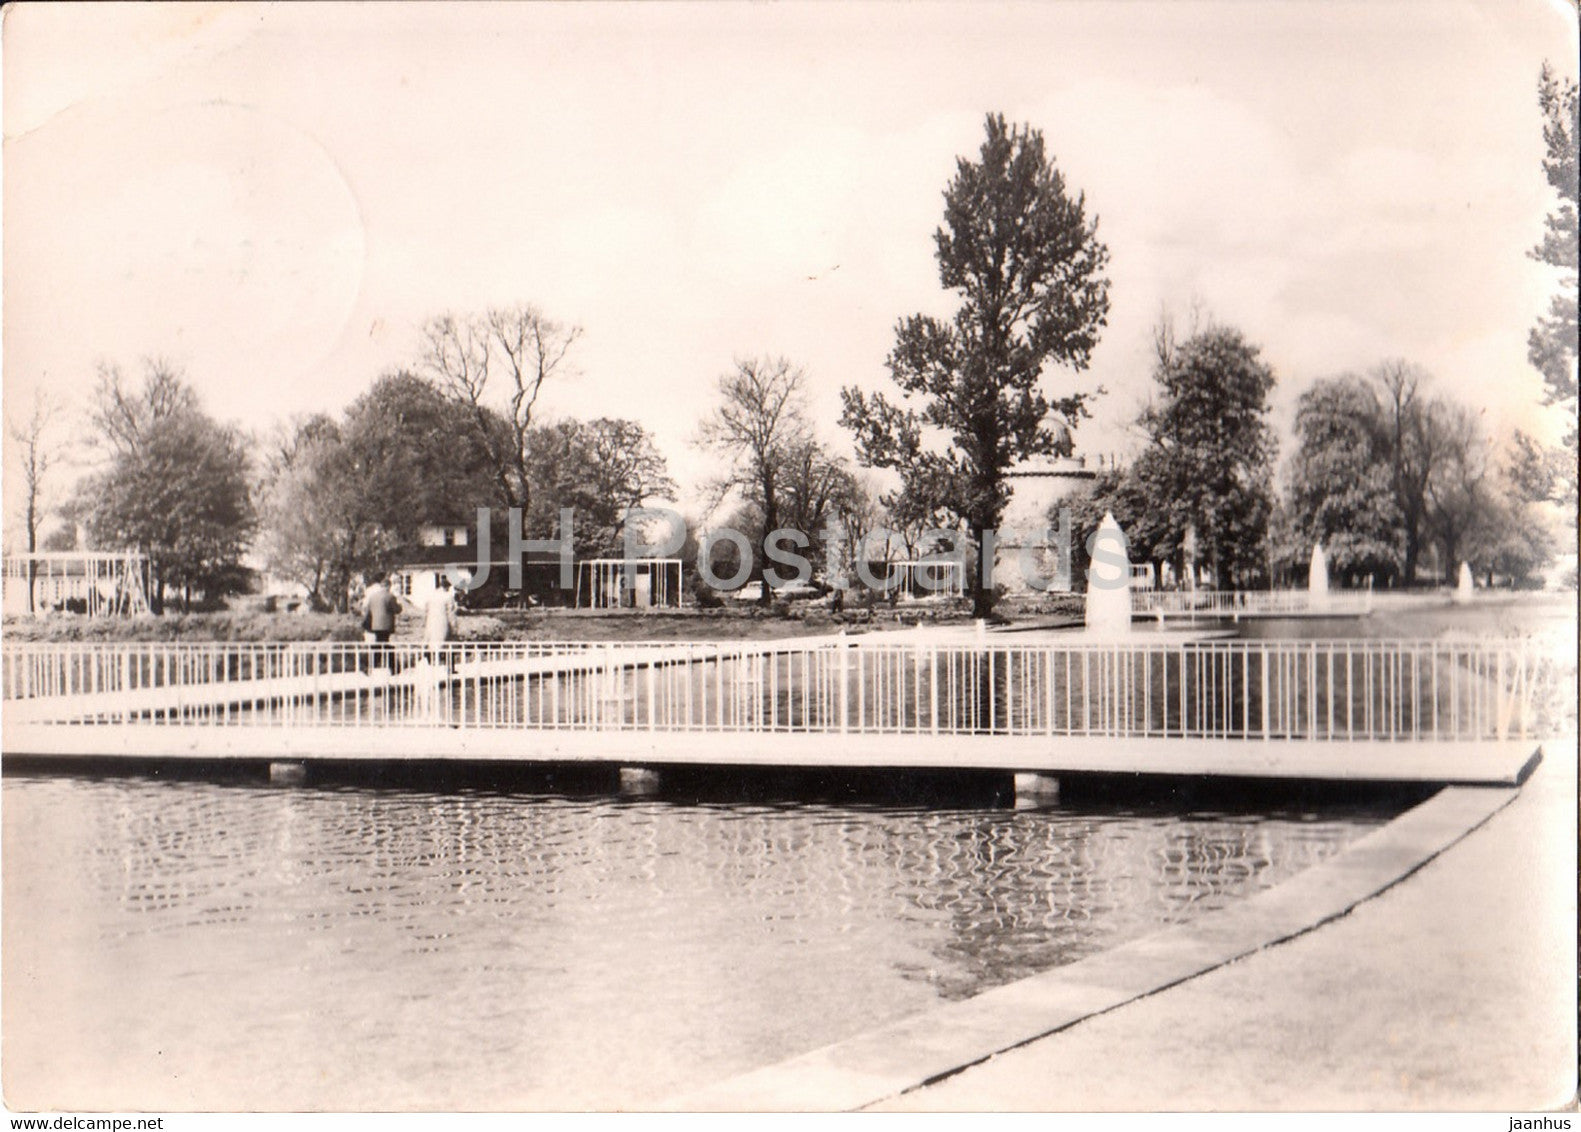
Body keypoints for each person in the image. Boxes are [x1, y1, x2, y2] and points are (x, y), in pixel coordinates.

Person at [361, 572, 402, 670]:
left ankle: (373, 665)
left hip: (375, 625)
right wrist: (399, 605)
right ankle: (393, 667)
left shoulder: (373, 596)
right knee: (386, 645)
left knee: (379, 644)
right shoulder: (390, 596)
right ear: (388, 586)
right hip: (386, 625)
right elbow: (397, 609)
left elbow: (368, 609)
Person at [424, 575, 457, 661]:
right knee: (447, 645)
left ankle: (430, 663)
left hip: (431, 622)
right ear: (447, 587)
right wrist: (454, 626)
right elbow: (451, 613)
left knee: (431, 643)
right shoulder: (448, 597)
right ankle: (449, 666)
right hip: (443, 623)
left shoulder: (432, 595)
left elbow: (426, 609)